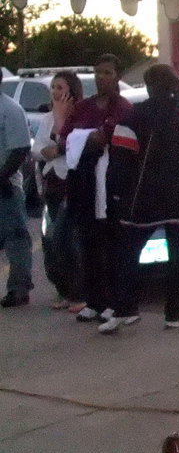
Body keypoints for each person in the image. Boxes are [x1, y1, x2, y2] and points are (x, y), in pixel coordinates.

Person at [104, 64, 179, 333]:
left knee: (129, 253)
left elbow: (119, 162)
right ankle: (175, 314)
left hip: (142, 200)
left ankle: (124, 310)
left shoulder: (132, 118)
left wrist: (116, 196)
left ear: (147, 85)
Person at [60, 53, 133, 323]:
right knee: (88, 243)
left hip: (112, 182)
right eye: (98, 72)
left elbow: (113, 138)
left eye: (107, 73)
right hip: (85, 182)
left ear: (118, 77)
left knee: (112, 245)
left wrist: (98, 138)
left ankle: (115, 302)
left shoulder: (123, 108)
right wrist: (84, 138)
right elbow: (67, 136)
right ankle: (93, 301)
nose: (101, 77)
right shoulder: (83, 108)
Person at [32, 70, 86, 311]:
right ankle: (64, 290)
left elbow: (70, 147)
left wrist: (57, 143)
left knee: (64, 237)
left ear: (71, 91)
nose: (55, 92)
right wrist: (54, 148)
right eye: (53, 87)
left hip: (71, 183)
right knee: (51, 240)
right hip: (51, 182)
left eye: (60, 87)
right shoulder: (46, 119)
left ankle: (78, 293)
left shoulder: (79, 115)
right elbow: (39, 149)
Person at [0, 67, 34, 308]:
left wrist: (2, 179)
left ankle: (19, 289)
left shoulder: (10, 110)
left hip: (6, 186)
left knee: (16, 238)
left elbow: (21, 148)